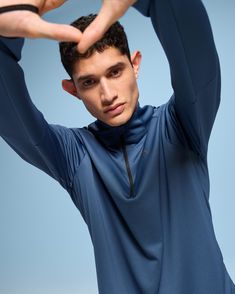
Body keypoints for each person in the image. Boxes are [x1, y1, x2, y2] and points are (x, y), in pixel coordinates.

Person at [0, 0, 234, 293]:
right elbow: (13, 121)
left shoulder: (181, 126)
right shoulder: (75, 156)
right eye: (89, 82)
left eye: (115, 72)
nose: (108, 94)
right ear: (72, 90)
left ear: (135, 65)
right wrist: (4, 34)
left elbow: (196, 55)